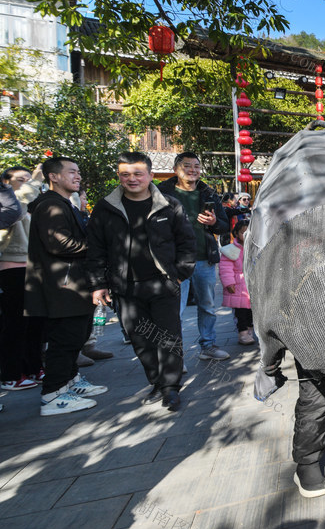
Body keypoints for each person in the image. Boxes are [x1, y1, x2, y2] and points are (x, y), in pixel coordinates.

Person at [86, 152, 196, 412]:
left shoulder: (169, 205)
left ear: (150, 175)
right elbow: (95, 248)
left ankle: (170, 387)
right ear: (119, 176)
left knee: (168, 337)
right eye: (125, 174)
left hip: (163, 283)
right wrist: (98, 283)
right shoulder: (106, 207)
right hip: (125, 287)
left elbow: (187, 242)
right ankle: (156, 381)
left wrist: (180, 273)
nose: (132, 179)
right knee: (140, 338)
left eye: (137, 173)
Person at [25, 156, 107, 416]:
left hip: (72, 283)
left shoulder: (63, 204)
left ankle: (70, 382)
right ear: (54, 177)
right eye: (72, 172)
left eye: (78, 171)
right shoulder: (51, 205)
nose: (78, 176)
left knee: (77, 336)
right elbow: (59, 244)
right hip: (62, 285)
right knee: (65, 339)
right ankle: (53, 395)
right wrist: (99, 247)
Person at [157, 152, 231, 361]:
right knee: (175, 310)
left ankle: (208, 345)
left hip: (204, 260)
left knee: (207, 306)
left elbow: (224, 226)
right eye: (187, 166)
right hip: (175, 262)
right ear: (175, 169)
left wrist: (213, 222)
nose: (193, 170)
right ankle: (175, 353)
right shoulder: (161, 193)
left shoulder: (208, 193)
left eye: (196, 166)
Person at [0, 165, 46, 392]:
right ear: (6, 184)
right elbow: (18, 203)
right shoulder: (10, 205)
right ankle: (11, 374)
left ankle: (34, 367)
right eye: (21, 179)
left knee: (35, 323)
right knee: (15, 324)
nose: (27, 182)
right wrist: (35, 181)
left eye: (29, 178)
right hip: (12, 268)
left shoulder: (31, 204)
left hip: (34, 267)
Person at [220, 218, 255, 346]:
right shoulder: (230, 250)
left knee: (252, 312)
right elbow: (225, 269)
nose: (245, 235)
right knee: (240, 313)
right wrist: (229, 283)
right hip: (238, 286)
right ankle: (243, 333)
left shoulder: (255, 248)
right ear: (236, 233)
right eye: (242, 232)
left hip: (252, 286)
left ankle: (250, 331)